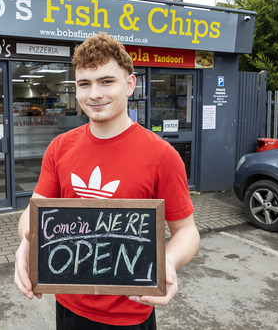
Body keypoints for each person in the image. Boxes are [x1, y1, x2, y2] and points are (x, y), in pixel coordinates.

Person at [14, 33, 200, 329]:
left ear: (130, 84)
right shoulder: (59, 147)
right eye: (84, 84)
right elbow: (34, 210)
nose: (94, 94)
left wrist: (167, 264)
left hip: (131, 313)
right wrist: (27, 242)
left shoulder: (162, 155)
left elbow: (187, 231)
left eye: (106, 81)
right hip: (69, 306)